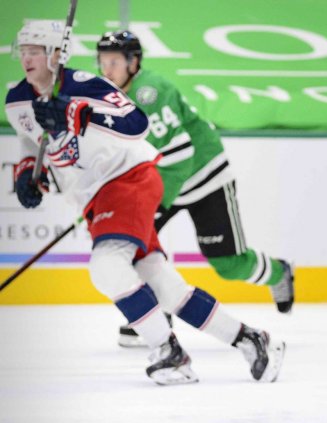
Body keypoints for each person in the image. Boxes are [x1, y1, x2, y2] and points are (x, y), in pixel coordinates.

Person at [7, 20, 286, 385]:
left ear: (57, 54)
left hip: (129, 178)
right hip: (95, 196)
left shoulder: (87, 87)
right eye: (23, 51)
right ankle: (250, 339)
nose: (26, 58)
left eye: (35, 51)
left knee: (106, 266)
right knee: (162, 284)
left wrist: (79, 116)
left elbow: (136, 123)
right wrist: (27, 172)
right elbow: (30, 139)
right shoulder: (17, 99)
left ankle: (168, 351)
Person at [95, 30, 295, 348]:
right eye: (103, 62)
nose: (107, 70)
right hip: (164, 179)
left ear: (133, 63)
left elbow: (180, 153)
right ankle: (157, 316)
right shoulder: (108, 95)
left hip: (203, 175)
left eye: (115, 62)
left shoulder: (150, 92)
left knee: (229, 264)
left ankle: (279, 272)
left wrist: (155, 201)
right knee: (133, 246)